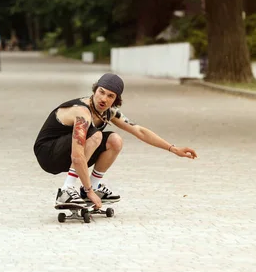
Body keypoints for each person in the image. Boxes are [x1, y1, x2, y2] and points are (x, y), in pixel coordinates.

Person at [33, 73, 198, 209]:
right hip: (48, 154)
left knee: (115, 140)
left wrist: (173, 149)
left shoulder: (108, 113)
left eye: (110, 96)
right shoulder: (82, 112)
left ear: (116, 100)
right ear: (95, 90)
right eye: (101, 92)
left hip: (70, 153)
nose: (104, 98)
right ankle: (66, 191)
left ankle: (94, 187)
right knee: (96, 136)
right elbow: (77, 155)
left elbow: (139, 131)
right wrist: (88, 190)